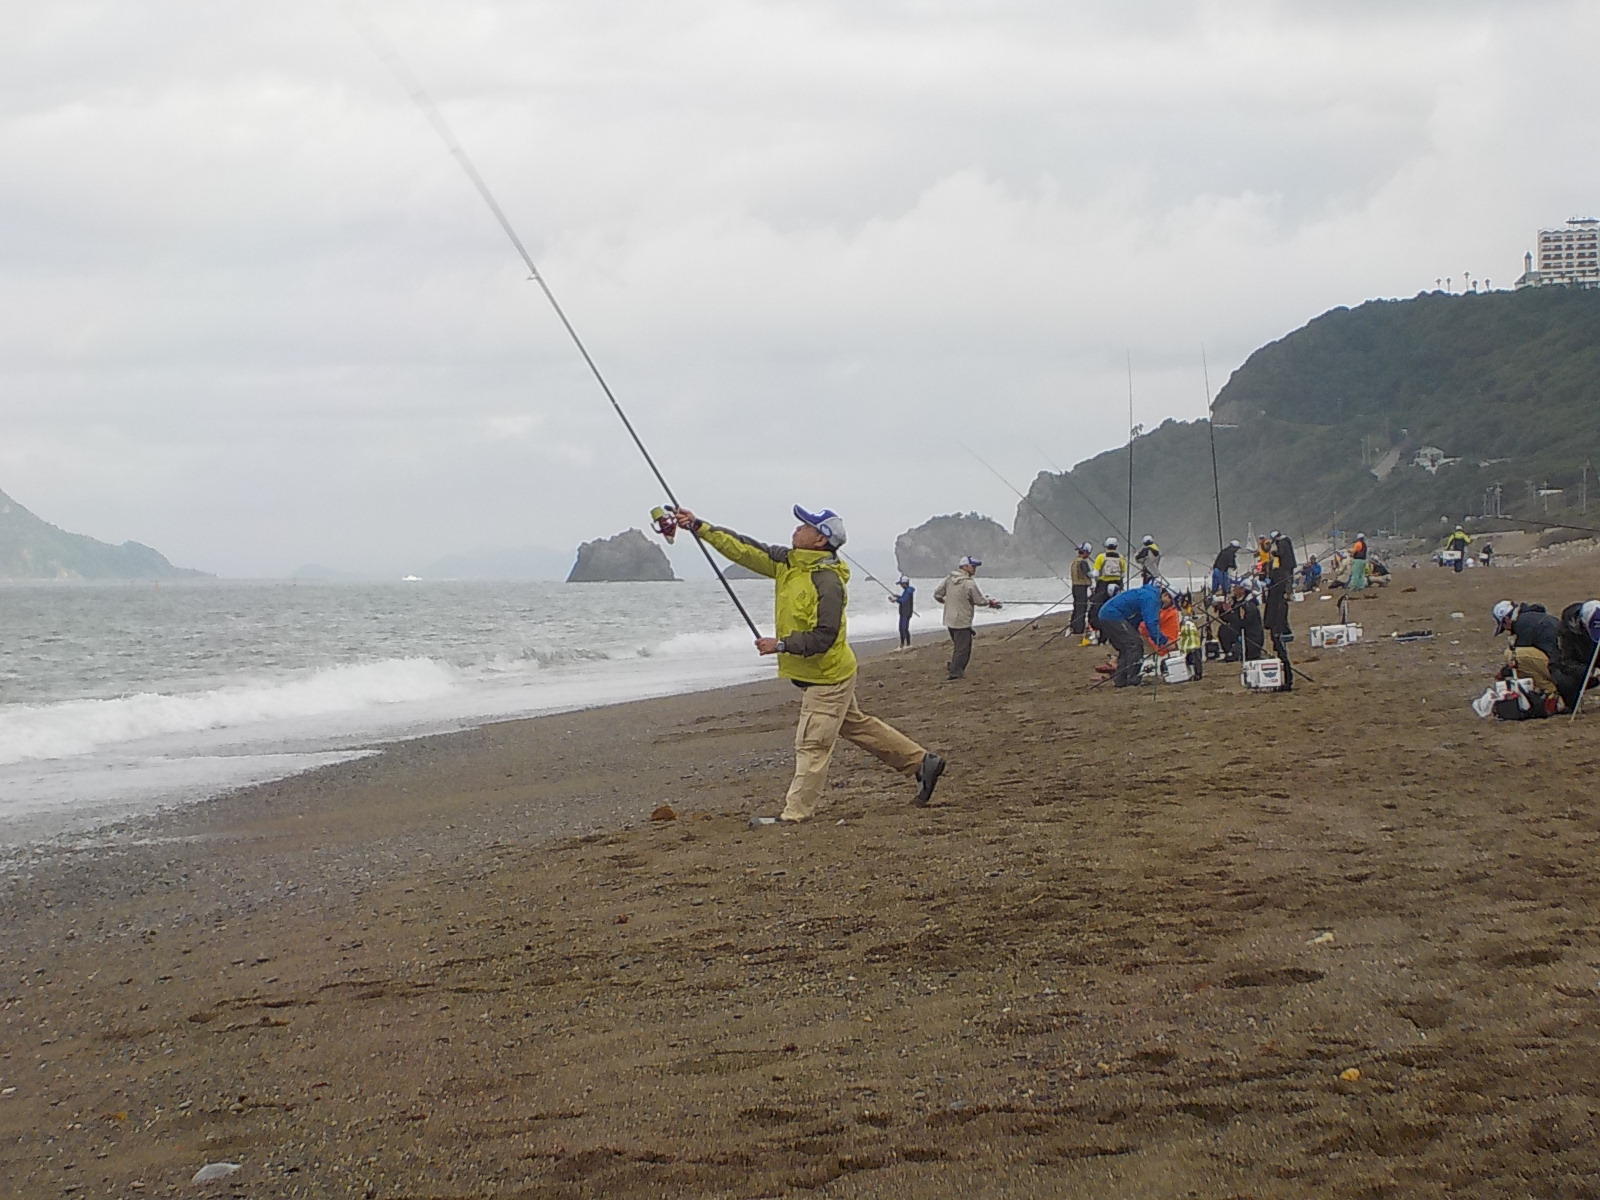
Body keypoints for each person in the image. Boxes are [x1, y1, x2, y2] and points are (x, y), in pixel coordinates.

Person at [672, 504, 945, 825]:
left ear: (820, 540)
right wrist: (699, 526)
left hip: (828, 675)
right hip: (822, 672)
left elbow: (825, 636)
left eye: (805, 527)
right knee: (855, 724)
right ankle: (922, 762)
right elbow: (744, 549)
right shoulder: (787, 562)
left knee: (812, 744)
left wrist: (782, 645)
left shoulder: (828, 581)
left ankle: (795, 814)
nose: (796, 529)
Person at [1092, 581, 1174, 687]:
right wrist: (1165, 642)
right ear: (1166, 595)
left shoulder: (1146, 594)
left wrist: (1133, 632)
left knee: (1126, 647)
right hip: (1113, 615)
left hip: (1108, 614)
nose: (1167, 607)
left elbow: (1135, 619)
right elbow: (1151, 623)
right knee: (1135, 645)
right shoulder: (1151, 598)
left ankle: (1121, 680)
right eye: (1170, 602)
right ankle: (1133, 678)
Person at [934, 556, 1001, 680]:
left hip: (949, 619)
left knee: (958, 646)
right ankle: (955, 672)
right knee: (964, 649)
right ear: (965, 567)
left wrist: (947, 602)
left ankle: (953, 665)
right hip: (962, 621)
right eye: (973, 566)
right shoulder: (969, 583)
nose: (975, 569)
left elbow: (937, 594)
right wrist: (990, 602)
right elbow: (979, 600)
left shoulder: (949, 579)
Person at [1492, 600, 1564, 703]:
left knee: (1512, 655)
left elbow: (1516, 661)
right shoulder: (1532, 617)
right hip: (1562, 663)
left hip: (1559, 668)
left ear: (1506, 620)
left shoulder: (1522, 624)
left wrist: (1503, 673)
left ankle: (1552, 692)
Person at [1087, 537, 1126, 636]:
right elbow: (1123, 574)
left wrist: (1090, 576)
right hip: (1117, 584)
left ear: (1106, 546)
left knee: (1099, 606)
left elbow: (1095, 573)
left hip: (1103, 585)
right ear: (1116, 546)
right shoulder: (1121, 558)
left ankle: (1098, 627)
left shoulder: (1101, 557)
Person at [1069, 542, 1094, 639]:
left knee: (1076, 606)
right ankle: (1079, 628)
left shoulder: (1074, 561)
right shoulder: (1083, 562)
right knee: (1081, 608)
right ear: (1086, 552)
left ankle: (1074, 626)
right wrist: (1097, 573)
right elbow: (1088, 574)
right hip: (1082, 587)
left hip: (1075, 586)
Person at [889, 576, 915, 649]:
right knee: (903, 628)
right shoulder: (908, 591)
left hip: (906, 612)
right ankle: (905, 644)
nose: (900, 585)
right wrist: (897, 596)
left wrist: (895, 600)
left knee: (903, 628)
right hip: (905, 612)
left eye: (901, 584)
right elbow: (904, 598)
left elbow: (904, 600)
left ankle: (905, 644)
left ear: (905, 584)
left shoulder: (908, 591)